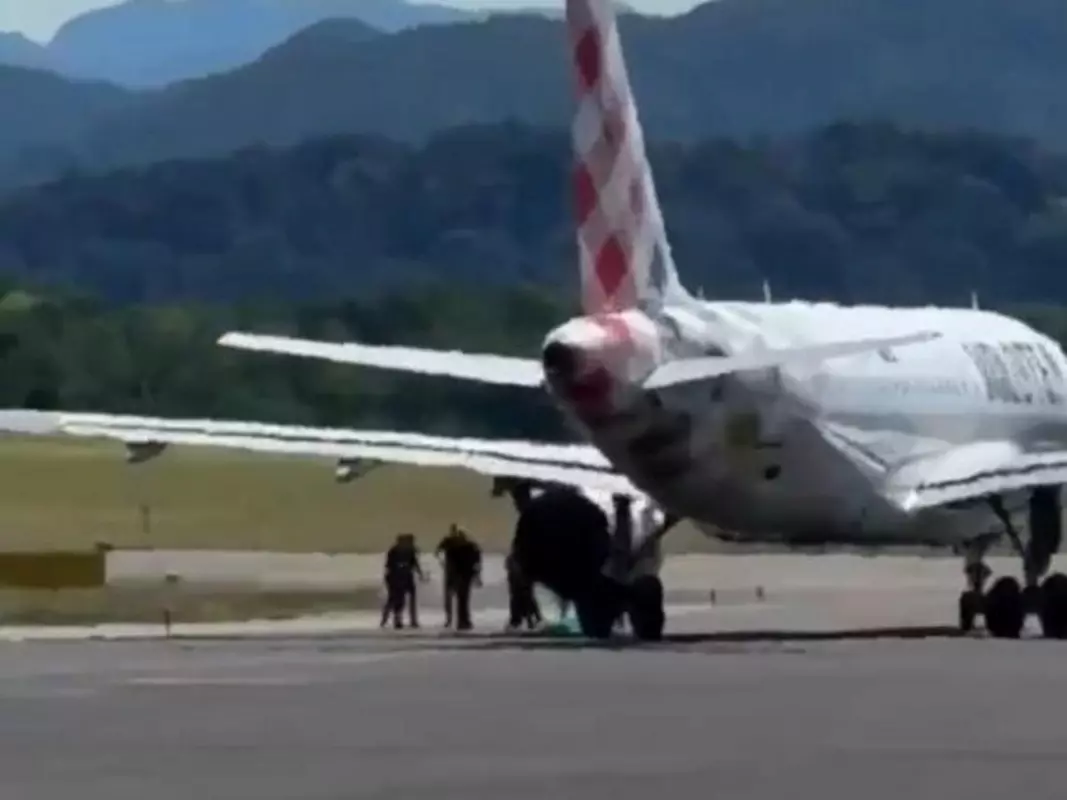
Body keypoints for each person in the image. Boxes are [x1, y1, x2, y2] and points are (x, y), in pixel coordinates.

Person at [436, 524, 482, 631]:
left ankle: (457, 620)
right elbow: (477, 561)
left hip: (457, 574)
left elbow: (477, 562)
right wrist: (477, 574)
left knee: (459, 598)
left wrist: (443, 563)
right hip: (461, 574)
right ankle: (460, 621)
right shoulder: (468, 545)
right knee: (462, 599)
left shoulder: (452, 545)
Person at [381, 533, 424, 629]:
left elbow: (415, 563)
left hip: (406, 577)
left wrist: (420, 574)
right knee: (396, 599)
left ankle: (411, 620)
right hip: (395, 578)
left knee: (407, 598)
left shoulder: (409, 550)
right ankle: (392, 620)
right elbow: (389, 566)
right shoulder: (394, 551)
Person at [505, 549, 542, 630]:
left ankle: (528, 621)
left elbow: (509, 568)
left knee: (524, 601)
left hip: (521, 584)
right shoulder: (515, 558)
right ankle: (531, 620)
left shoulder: (514, 558)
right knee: (525, 601)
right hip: (520, 584)